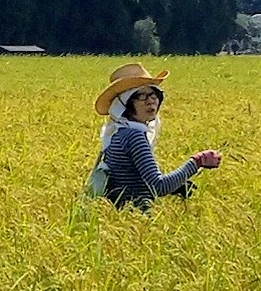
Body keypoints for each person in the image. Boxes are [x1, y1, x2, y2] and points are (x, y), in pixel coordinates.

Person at [86, 64, 222, 207]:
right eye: (141, 96)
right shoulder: (134, 137)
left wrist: (176, 185)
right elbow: (158, 186)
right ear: (125, 103)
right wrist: (197, 162)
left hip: (121, 215)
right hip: (135, 219)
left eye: (153, 94)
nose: (150, 101)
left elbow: (130, 181)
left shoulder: (118, 132)